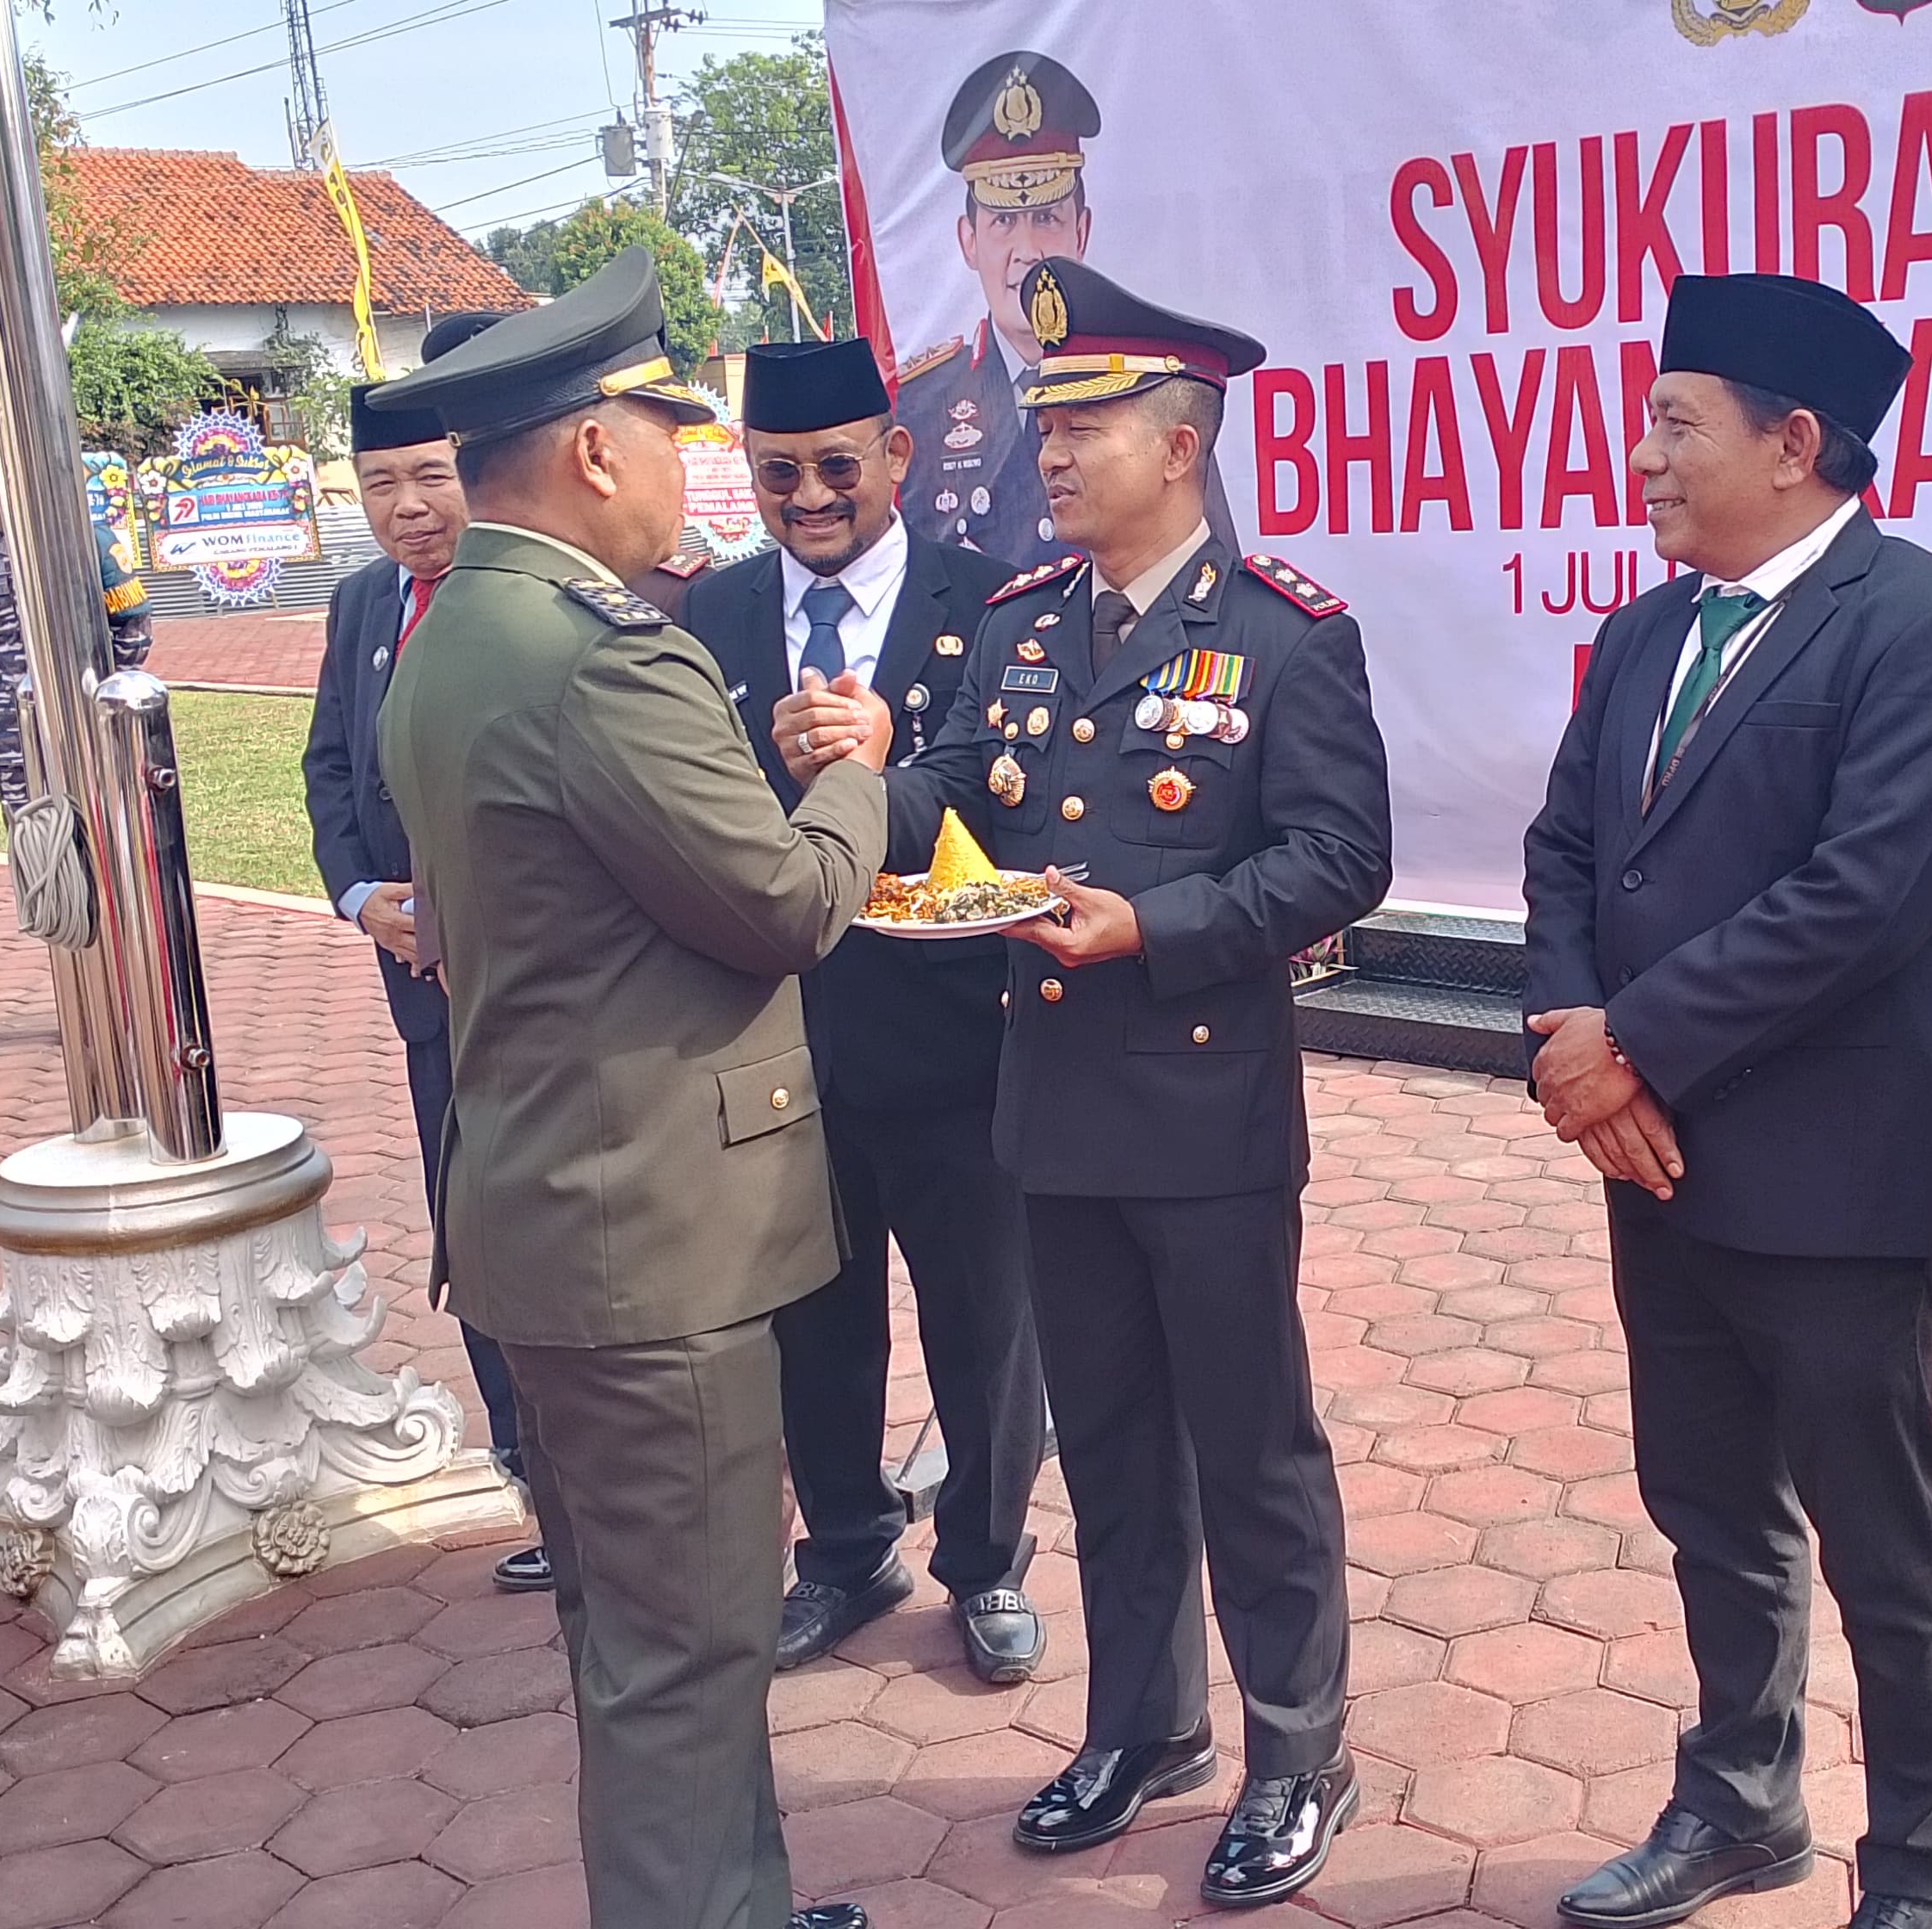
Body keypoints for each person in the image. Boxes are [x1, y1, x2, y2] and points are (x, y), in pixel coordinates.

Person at [779, 256, 1390, 1908]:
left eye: (1090, 421)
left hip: (1202, 1111)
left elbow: (1343, 857)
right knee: (1112, 1440)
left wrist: (1165, 924)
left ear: (1181, 444)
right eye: (1046, 422)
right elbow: (966, 795)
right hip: (1046, 1105)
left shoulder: (1284, 637)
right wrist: (873, 774)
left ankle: (1296, 1752)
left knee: (1251, 1449)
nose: (1051, 451)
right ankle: (1144, 1727)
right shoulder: (1023, 620)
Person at [366, 248, 880, 1929]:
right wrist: (851, 781)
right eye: (674, 434)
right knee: (683, 1660)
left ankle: (733, 1897)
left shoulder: (449, 634)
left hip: (549, 1220)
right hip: (652, 1247)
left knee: (640, 1642)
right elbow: (783, 903)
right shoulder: (602, 655)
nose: (695, 471)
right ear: (597, 447)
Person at [1516, 272, 1932, 1929]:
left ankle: (1928, 1875)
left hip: (1840, 1177)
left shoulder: (1931, 626)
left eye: (1673, 424)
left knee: (1883, 1541)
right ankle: (1739, 1803)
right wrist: (1573, 1033)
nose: (1640, 456)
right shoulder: (1648, 627)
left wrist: (1627, 1044)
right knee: (1710, 1509)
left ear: (1795, 443)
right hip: (1659, 1166)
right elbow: (1567, 847)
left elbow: (1862, 897)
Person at [667, 338, 1047, 1683]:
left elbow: (1001, 792)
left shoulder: (996, 602)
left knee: (983, 1318)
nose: (810, 496)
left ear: (895, 456)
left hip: (952, 1033)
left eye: (839, 465)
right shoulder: (704, 619)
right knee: (810, 1316)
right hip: (777, 1033)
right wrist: (774, 791)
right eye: (780, 473)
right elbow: (683, 809)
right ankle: (843, 1548)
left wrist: (862, 783)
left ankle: (989, 1558)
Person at [300, 318, 549, 1597]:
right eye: (379, 487)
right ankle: (533, 1473)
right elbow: (330, 771)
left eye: (430, 478)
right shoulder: (359, 608)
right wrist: (363, 900)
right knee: (479, 1229)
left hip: (549, 996)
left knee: (574, 1230)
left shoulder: (541, 602)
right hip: (426, 993)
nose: (407, 510)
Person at [893, 51, 1098, 567]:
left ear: (1082, 232)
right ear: (968, 242)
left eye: (1047, 217)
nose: (1026, 250)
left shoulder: (1138, 389)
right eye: (1003, 223)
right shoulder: (919, 404)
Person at [0, 431, 152, 820]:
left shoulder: (86, 539)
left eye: (7, 467)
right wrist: (9, 695)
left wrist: (103, 693)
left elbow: (133, 625)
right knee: (32, 842)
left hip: (86, 721)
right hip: (15, 730)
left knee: (101, 835)